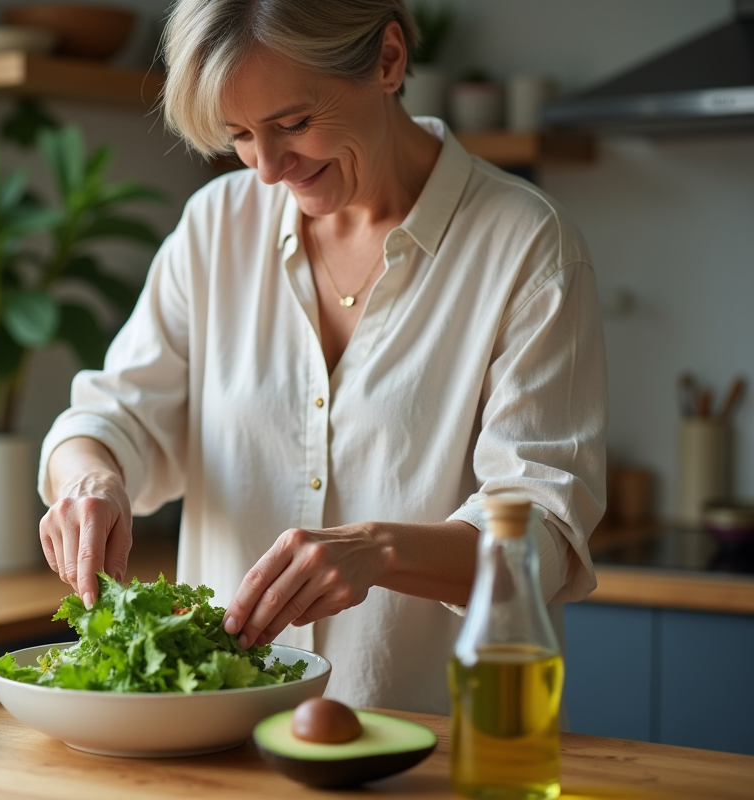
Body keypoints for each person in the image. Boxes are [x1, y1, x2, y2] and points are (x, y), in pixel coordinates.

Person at [37, 0, 606, 715]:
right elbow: (112, 417)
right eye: (240, 136)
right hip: (226, 737)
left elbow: (541, 536)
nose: (268, 169)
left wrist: (378, 550)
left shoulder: (527, 246)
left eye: (294, 123)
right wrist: (90, 481)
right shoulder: (215, 227)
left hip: (432, 741)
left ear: (388, 60)